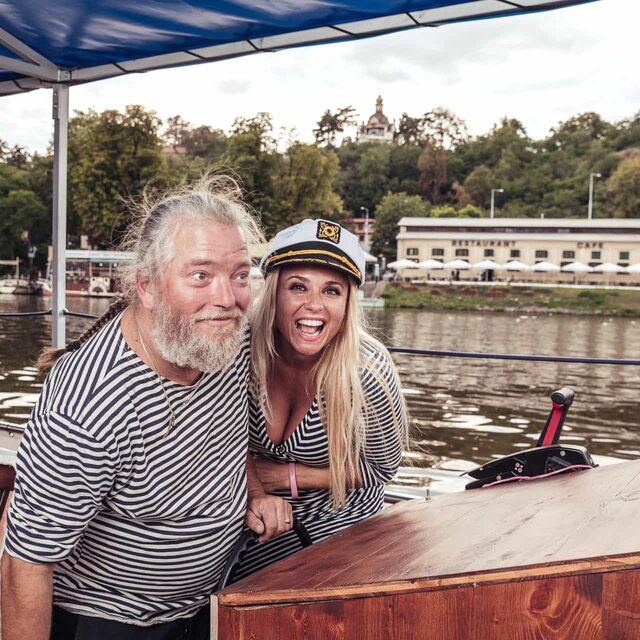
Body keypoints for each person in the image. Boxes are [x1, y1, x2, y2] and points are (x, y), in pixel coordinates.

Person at [1, 176, 292, 640]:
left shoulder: (221, 344)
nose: (227, 299)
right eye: (201, 275)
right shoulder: (89, 405)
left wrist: (254, 492)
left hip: (204, 608)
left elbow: (231, 442)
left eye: (239, 275)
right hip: (109, 623)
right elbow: (26, 564)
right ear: (148, 286)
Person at [237, 218, 406, 578]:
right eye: (298, 287)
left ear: (347, 303)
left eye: (331, 291)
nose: (314, 305)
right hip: (252, 518)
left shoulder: (367, 371)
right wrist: (256, 490)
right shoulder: (238, 351)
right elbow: (216, 436)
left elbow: (381, 470)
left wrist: (287, 477)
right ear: (273, 292)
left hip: (344, 523)